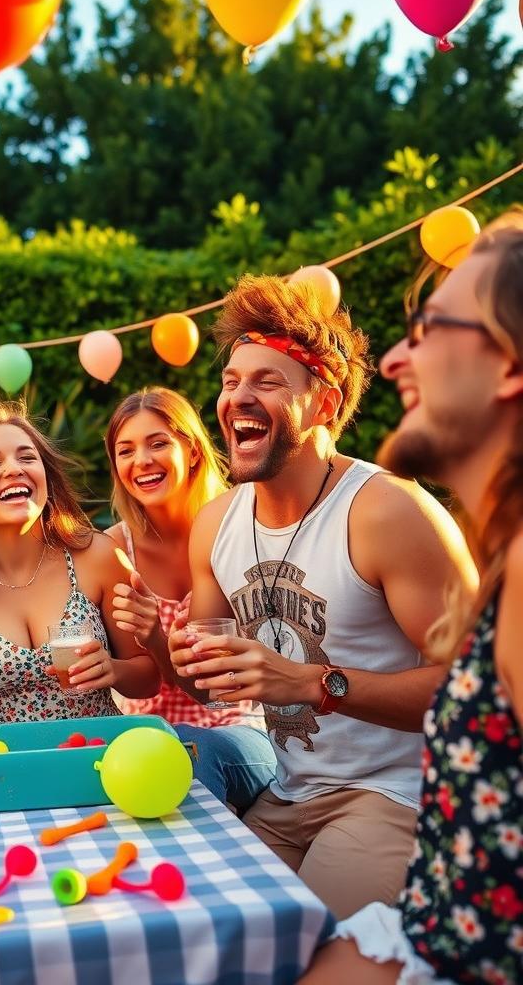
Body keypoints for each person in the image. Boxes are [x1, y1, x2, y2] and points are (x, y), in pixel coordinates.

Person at [169, 274, 476, 918]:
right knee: (212, 923)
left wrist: (313, 683)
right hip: (289, 794)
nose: (237, 398)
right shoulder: (215, 524)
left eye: (267, 382)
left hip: (394, 791)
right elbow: (202, 685)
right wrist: (180, 652)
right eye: (230, 381)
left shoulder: (386, 513)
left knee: (311, 944)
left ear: (325, 404)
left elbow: (479, 691)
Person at [302, 214, 523, 983]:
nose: (395, 357)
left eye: (428, 330)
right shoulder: (506, 561)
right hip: (431, 922)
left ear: (507, 368)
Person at [0, 401, 159, 725]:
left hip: (100, 758)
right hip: (3, 768)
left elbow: (148, 677)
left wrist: (112, 669)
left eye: (27, 457)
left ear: (46, 478)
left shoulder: (98, 556)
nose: (13, 469)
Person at [105, 387, 276, 812]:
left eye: (158, 443)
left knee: (187, 751)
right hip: (144, 739)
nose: (141, 460)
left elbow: (218, 692)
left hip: (240, 729)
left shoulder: (238, 535)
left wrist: (157, 637)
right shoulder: (114, 551)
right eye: (125, 451)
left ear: (194, 452)